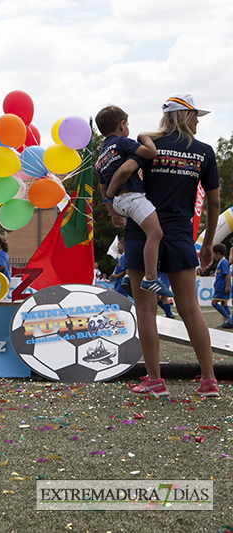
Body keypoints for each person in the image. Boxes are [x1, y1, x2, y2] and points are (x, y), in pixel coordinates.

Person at [128, 93, 220, 398]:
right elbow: (214, 202)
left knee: (145, 307)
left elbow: (126, 174)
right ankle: (209, 380)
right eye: (196, 116)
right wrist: (207, 243)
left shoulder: (148, 145)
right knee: (191, 308)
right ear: (185, 116)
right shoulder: (204, 152)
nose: (197, 122)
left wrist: (114, 203)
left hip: (142, 231)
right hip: (181, 235)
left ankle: (154, 380)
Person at [95, 105, 171, 297]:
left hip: (119, 203)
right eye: (127, 123)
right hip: (133, 197)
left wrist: (112, 212)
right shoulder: (122, 142)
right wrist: (144, 137)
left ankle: (130, 273)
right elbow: (150, 152)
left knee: (142, 236)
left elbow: (103, 189)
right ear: (122, 125)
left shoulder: (101, 156)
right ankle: (151, 278)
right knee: (156, 232)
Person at [211, 244, 231, 328]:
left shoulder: (223, 262)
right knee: (223, 303)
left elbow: (227, 275)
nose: (213, 256)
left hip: (221, 288)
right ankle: (230, 322)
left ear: (218, 253)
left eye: (214, 254)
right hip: (220, 287)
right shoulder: (222, 262)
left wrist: (227, 286)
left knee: (214, 303)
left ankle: (227, 317)